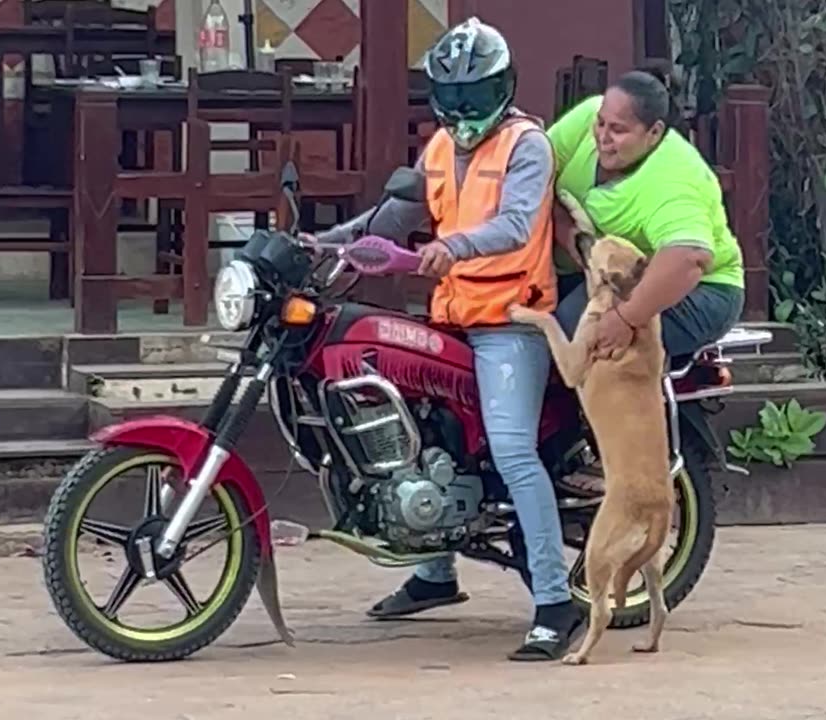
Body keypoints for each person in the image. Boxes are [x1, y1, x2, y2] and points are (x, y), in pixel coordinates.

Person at [311, 17, 581, 661]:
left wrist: (452, 246)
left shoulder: (526, 144)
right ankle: (435, 572)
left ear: (504, 88)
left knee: (514, 452)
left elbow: (518, 224)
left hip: (511, 323)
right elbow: (399, 214)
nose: (464, 112)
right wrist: (326, 242)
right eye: (452, 99)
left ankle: (554, 602)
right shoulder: (437, 147)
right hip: (452, 316)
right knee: (424, 437)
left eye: (477, 97)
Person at [546, 70, 747, 495]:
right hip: (612, 275)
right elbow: (535, 172)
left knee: (585, 330)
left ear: (654, 132)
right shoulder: (586, 121)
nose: (602, 136)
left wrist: (627, 318)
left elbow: (688, 260)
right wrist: (572, 238)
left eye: (618, 130)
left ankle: (606, 458)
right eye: (602, 123)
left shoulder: (674, 179)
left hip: (700, 291)